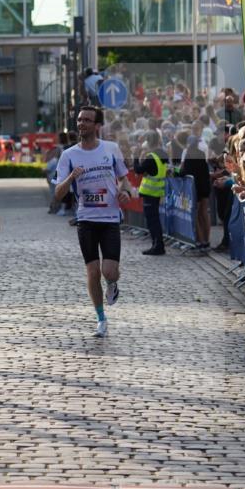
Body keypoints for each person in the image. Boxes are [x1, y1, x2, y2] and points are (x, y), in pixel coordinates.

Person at [53, 105, 132, 338]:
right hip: (86, 219)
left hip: (109, 218)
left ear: (97, 125)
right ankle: (100, 318)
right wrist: (71, 177)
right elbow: (58, 194)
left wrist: (125, 192)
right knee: (92, 271)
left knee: (110, 271)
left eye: (87, 120)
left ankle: (112, 283)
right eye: (79, 120)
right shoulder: (68, 155)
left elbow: (124, 180)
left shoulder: (111, 149)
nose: (81, 124)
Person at [134, 130, 169, 255]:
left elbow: (138, 170)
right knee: (155, 220)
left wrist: (136, 157)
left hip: (150, 192)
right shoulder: (163, 154)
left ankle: (158, 246)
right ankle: (157, 244)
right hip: (158, 192)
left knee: (152, 221)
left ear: (148, 142)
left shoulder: (151, 157)